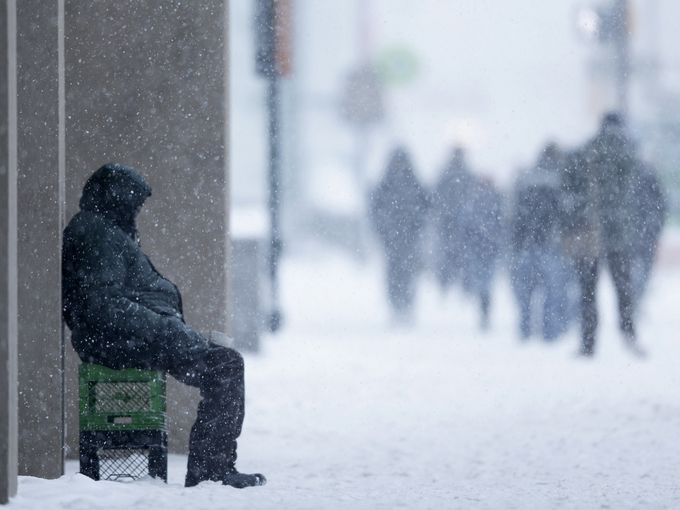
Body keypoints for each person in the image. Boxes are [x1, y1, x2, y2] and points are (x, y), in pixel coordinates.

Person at [62, 163, 266, 488]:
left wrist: (173, 330)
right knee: (224, 365)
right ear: (116, 199)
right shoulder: (98, 234)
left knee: (221, 361)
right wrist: (167, 330)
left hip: (130, 338)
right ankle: (212, 470)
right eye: (133, 203)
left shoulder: (101, 230)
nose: (136, 211)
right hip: (123, 341)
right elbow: (104, 305)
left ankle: (212, 467)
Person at [568, 112, 645, 356]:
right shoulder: (628, 152)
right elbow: (638, 191)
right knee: (623, 288)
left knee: (588, 290)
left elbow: (571, 185)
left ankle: (588, 341)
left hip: (590, 231)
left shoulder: (587, 149)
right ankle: (628, 334)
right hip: (619, 234)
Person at [510, 143, 574, 341]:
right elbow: (566, 213)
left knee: (526, 293)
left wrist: (517, 240)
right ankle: (549, 332)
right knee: (552, 292)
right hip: (550, 244)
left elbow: (514, 212)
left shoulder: (526, 177)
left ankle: (525, 329)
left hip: (526, 243)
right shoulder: (562, 179)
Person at [370, 146, 430, 323]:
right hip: (396, 238)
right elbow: (376, 210)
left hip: (405, 238)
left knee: (404, 273)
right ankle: (398, 306)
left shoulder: (407, 183)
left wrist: (417, 226)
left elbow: (425, 206)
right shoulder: (390, 184)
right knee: (398, 273)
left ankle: (405, 305)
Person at [459, 174, 503, 330]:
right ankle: (484, 309)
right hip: (486, 249)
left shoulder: (474, 203)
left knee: (482, 282)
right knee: (485, 282)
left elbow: (466, 226)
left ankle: (484, 309)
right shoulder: (495, 202)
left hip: (480, 249)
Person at [431, 147, 474, 291]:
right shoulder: (463, 174)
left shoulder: (448, 173)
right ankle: (455, 283)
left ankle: (448, 282)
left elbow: (437, 195)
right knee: (458, 252)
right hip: (454, 220)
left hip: (452, 220)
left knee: (450, 252)